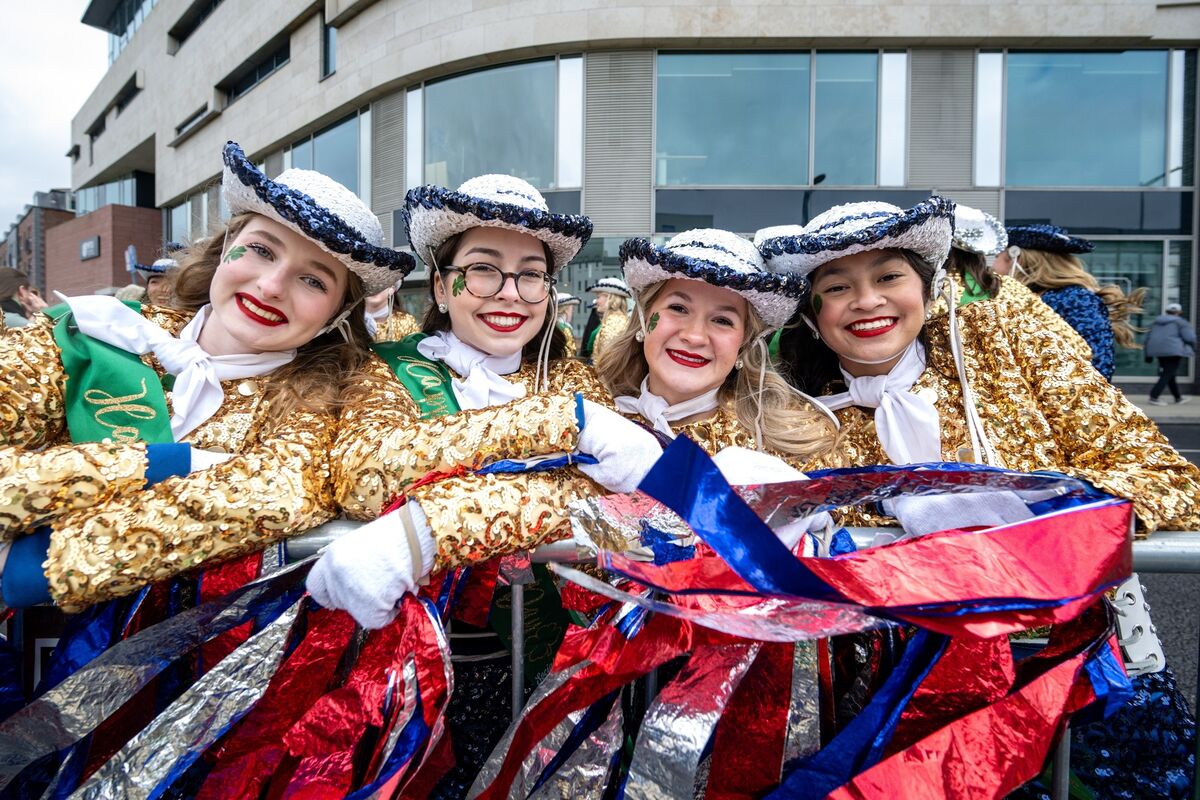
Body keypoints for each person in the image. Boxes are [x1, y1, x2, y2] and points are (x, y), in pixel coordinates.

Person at [764, 197, 1200, 800]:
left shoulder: (1003, 336)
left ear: (927, 283)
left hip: (1077, 668)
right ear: (813, 313)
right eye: (838, 287)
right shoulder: (789, 407)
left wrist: (1020, 513)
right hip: (905, 692)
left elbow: (1164, 476)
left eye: (890, 276)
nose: (867, 300)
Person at [294, 174, 661, 799]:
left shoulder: (574, 376)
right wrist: (558, 432)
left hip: (556, 665)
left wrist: (443, 510)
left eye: (531, 275)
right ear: (442, 284)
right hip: (413, 668)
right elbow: (369, 474)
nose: (509, 294)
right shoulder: (388, 369)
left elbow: (617, 503)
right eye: (484, 269)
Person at [0, 139, 412, 615]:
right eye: (261, 250)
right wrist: (179, 463)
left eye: (313, 280)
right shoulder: (97, 332)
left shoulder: (324, 404)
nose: (272, 285)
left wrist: (30, 563)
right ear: (223, 250)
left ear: (337, 314)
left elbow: (280, 494)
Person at [994, 224, 1144, 381]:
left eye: (998, 256)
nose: (993, 266)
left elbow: (1096, 368)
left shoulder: (1076, 300)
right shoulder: (1017, 299)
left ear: (1016, 257)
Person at [1145, 302, 1195, 405]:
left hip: (1158, 351)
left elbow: (1148, 338)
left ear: (1166, 311)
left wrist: (1147, 354)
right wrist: (1194, 347)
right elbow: (1190, 338)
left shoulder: (1156, 322)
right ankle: (1154, 396)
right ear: (1179, 312)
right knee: (1168, 373)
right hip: (1173, 351)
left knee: (1170, 374)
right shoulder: (1181, 322)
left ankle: (1178, 398)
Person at [582, 277, 631, 361]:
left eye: (598, 297)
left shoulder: (614, 323)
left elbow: (607, 361)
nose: (596, 301)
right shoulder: (615, 320)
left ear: (609, 298)